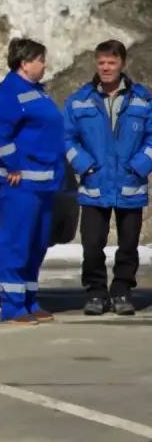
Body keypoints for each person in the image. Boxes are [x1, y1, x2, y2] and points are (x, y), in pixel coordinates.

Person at [63, 39, 152, 316]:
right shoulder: (79, 101)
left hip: (130, 184)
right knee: (92, 246)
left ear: (122, 64)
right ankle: (96, 293)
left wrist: (140, 165)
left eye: (111, 62)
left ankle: (123, 291)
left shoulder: (143, 99)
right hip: (94, 186)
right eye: (101, 62)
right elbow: (66, 138)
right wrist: (84, 165)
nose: (106, 68)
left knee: (127, 247)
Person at [0, 37, 65, 324]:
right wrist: (13, 164)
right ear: (25, 62)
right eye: (40, 60)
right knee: (16, 243)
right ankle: (12, 306)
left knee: (36, 244)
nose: (44, 65)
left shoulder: (35, 91)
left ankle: (29, 301)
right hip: (21, 185)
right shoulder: (11, 90)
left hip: (42, 184)